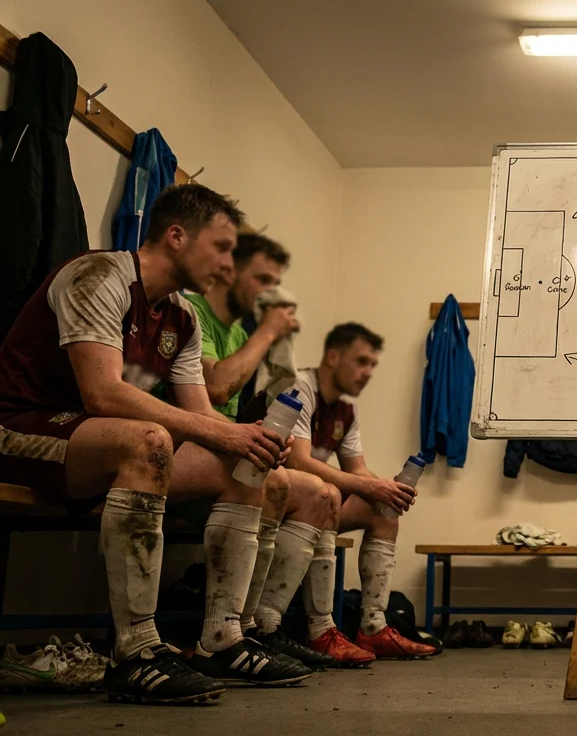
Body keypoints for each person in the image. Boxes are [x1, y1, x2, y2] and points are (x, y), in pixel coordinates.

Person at [0, 184, 312, 704]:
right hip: (19, 428)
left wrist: (247, 440)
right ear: (177, 236)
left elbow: (200, 412)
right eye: (222, 248)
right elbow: (102, 393)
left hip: (97, 441)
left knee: (256, 470)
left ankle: (223, 638)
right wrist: (224, 432)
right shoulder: (98, 275)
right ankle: (137, 651)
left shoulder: (182, 317)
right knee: (149, 440)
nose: (228, 267)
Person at [184, 233, 344, 669]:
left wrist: (265, 432)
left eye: (275, 282)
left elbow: (235, 410)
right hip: (184, 443)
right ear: (229, 270)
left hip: (219, 446)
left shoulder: (238, 331)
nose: (270, 294)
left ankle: (258, 626)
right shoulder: (192, 311)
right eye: (262, 280)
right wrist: (269, 332)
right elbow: (216, 387)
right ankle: (221, 637)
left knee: (320, 494)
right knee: (267, 477)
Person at [284, 323, 435, 660]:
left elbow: (357, 471)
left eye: (372, 365)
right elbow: (299, 463)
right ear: (333, 357)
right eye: (361, 361)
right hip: (273, 496)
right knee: (328, 494)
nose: (368, 372)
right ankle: (319, 630)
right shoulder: (300, 387)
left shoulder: (345, 411)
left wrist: (387, 489)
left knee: (382, 512)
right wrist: (371, 486)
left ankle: (373, 627)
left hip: (313, 502)